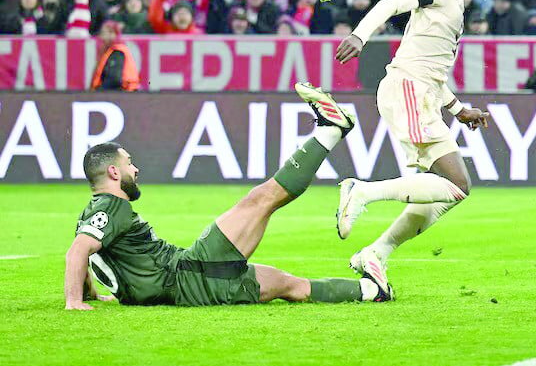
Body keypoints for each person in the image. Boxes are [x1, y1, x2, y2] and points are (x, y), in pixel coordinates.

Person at [64, 84, 393, 310]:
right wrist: (73, 301)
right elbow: (78, 252)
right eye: (129, 164)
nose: (135, 170)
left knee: (290, 285)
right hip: (191, 272)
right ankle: (330, 130)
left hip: (194, 285)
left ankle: (371, 291)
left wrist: (90, 293)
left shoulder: (92, 212)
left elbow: (91, 252)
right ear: (112, 173)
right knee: (262, 198)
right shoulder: (112, 204)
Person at [333, 0, 492, 280]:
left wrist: (457, 109)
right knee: (455, 184)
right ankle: (362, 191)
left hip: (421, 91)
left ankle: (375, 254)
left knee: (446, 191)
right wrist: (361, 34)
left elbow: (432, 68)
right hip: (409, 88)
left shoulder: (453, 0)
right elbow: (392, 2)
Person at [89, 20, 140, 91]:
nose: (101, 37)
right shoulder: (111, 51)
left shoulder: (117, 52)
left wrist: (99, 91)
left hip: (123, 93)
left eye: (104, 33)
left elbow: (115, 79)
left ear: (113, 33)